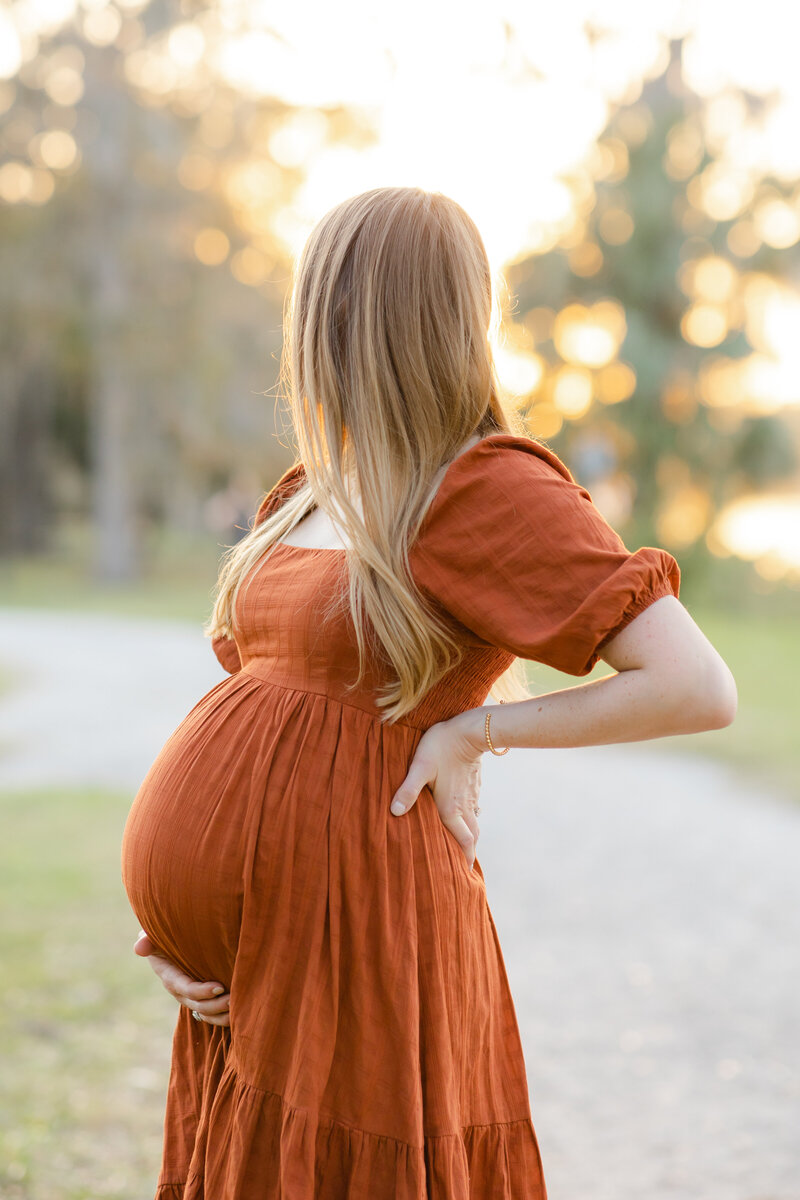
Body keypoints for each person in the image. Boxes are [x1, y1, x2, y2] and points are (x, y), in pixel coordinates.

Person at [121, 185, 737, 1200]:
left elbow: (692, 685)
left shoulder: (480, 487)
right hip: (255, 963)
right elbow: (268, 713)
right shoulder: (316, 485)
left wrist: (474, 733)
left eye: (321, 305)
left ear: (360, 318)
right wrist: (177, 928)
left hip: (362, 929)